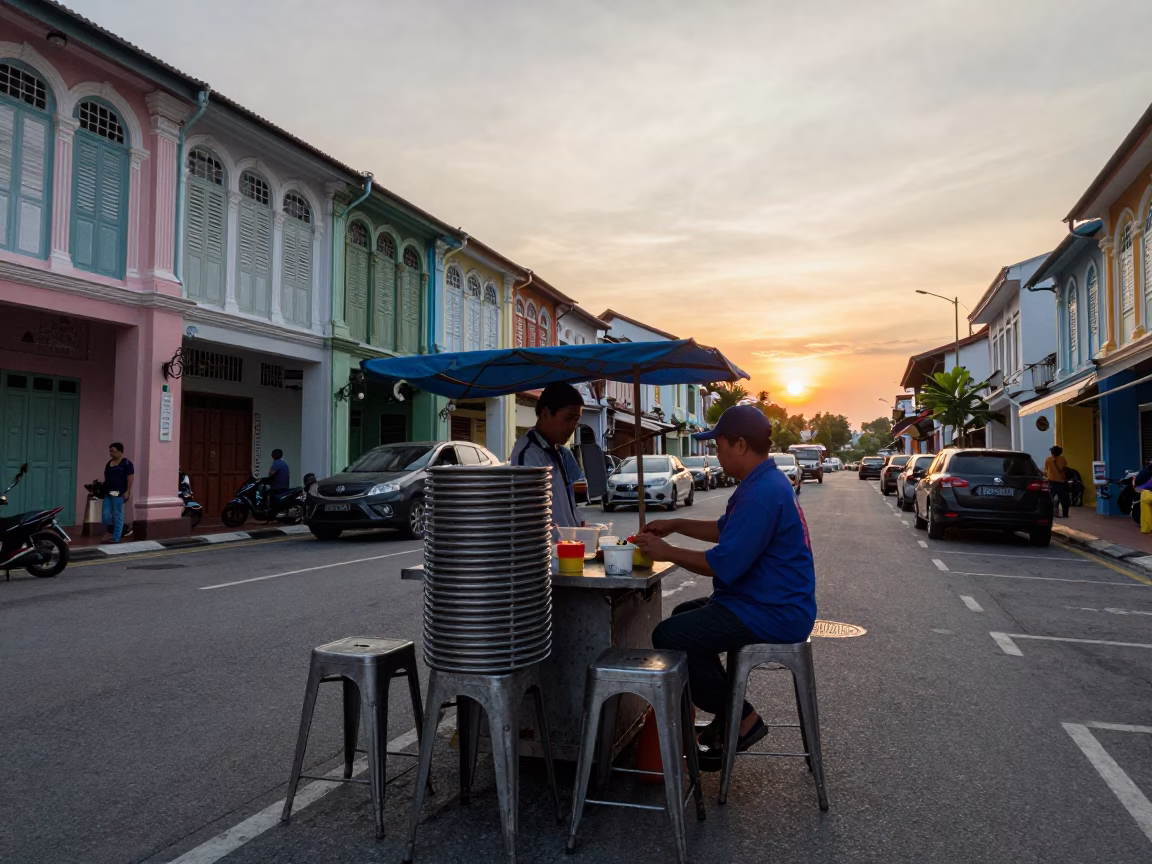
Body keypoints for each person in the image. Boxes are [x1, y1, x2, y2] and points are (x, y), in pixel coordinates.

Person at [633, 405, 816, 769]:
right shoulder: (762, 482)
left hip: (774, 611)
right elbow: (726, 529)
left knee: (671, 635)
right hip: (765, 602)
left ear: (741, 444)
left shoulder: (763, 492)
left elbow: (724, 564)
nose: (716, 454)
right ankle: (726, 719)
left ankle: (742, 718)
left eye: (719, 446)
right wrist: (677, 525)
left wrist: (667, 552)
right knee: (686, 615)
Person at [509, 382, 584, 531]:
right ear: (545, 413)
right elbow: (530, 517)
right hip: (548, 550)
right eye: (568, 418)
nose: (572, 427)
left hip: (568, 546)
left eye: (576, 420)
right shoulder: (529, 454)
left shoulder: (559, 452)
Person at [102, 442, 134, 544]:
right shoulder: (109, 463)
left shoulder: (126, 463)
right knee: (105, 515)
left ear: (120, 451)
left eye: (114, 451)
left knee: (118, 515)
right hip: (108, 493)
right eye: (110, 451)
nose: (111, 453)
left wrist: (128, 491)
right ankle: (119, 528)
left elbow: (130, 478)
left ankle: (116, 538)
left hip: (119, 493)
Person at [1044, 446, 1070, 518]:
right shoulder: (1062, 459)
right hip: (1061, 482)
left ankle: (1048, 513)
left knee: (1050, 498)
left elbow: (1046, 469)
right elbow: (1064, 469)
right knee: (1064, 499)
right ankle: (1065, 514)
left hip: (1051, 481)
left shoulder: (1048, 459)